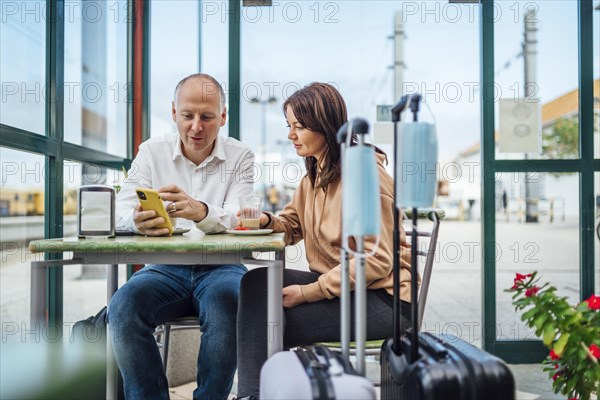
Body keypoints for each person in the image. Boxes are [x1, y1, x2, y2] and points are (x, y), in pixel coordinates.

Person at [235, 82, 414, 399]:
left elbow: (377, 260)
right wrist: (266, 220)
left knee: (268, 322)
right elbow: (292, 224)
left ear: (326, 126)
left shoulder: (364, 175)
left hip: (384, 301)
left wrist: (308, 293)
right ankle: (258, 393)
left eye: (299, 126)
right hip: (344, 289)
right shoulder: (314, 176)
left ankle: (257, 394)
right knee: (257, 283)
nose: (291, 135)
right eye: (289, 126)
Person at [108, 73, 255, 400]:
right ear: (174, 112)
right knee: (122, 308)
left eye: (207, 117)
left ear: (223, 117)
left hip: (222, 266)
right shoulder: (151, 151)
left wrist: (201, 211)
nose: (196, 127)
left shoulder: (240, 156)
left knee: (227, 306)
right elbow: (118, 211)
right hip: (163, 268)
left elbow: (240, 216)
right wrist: (137, 221)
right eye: (187, 116)